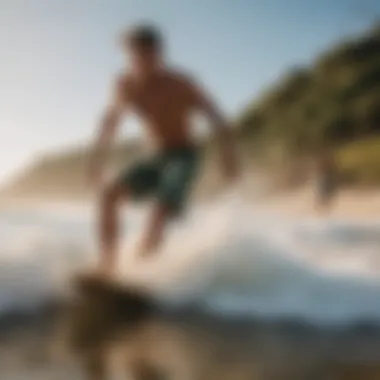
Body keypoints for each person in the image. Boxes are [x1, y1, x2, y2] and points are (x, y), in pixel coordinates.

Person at [88, 24, 239, 272]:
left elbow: (218, 119)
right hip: (153, 157)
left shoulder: (181, 84)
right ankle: (108, 269)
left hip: (184, 156)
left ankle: (143, 269)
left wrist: (228, 158)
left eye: (146, 56)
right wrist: (97, 160)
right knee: (108, 196)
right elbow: (111, 121)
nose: (140, 63)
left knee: (160, 209)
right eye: (133, 56)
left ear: (159, 54)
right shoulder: (125, 84)